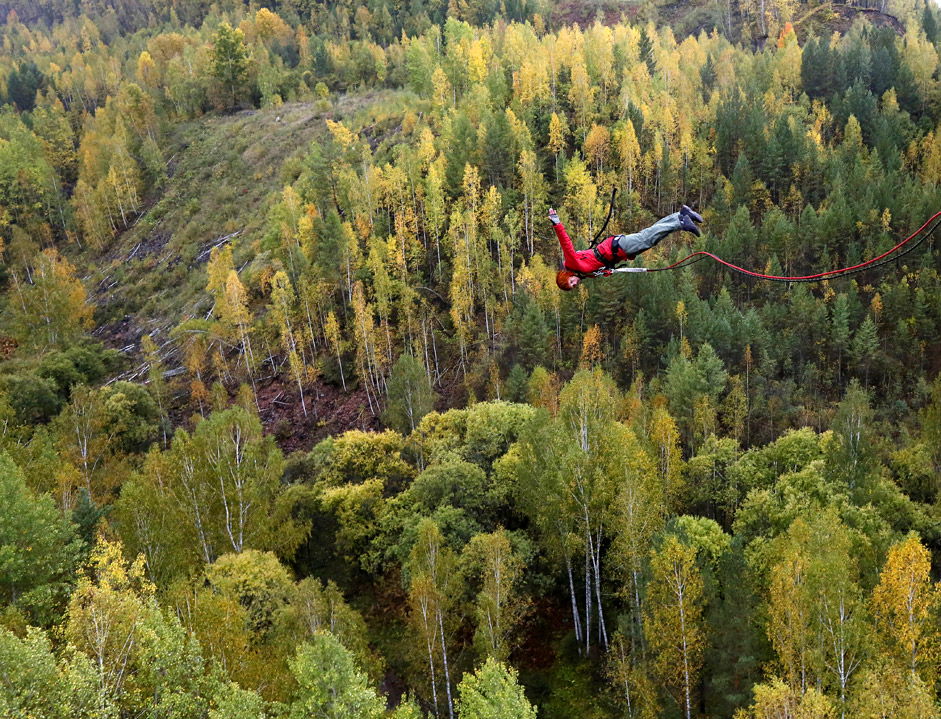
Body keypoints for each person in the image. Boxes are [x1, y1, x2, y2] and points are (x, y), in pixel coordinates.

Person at [551, 205, 703, 290]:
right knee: (650, 238)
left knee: (646, 238)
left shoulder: (572, 264)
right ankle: (681, 215)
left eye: (571, 282)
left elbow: (566, 243)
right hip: (617, 252)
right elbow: (599, 267)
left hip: (614, 248)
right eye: (573, 286)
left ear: (567, 276)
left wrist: (557, 223)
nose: (575, 283)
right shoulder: (582, 273)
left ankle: (681, 222)